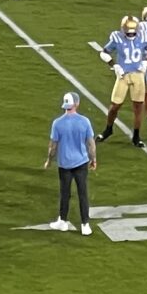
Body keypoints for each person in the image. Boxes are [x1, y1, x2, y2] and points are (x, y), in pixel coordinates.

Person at [46, 92, 95, 234]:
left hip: (65, 164)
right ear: (76, 104)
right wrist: (93, 159)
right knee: (83, 193)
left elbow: (53, 146)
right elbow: (91, 144)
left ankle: (63, 221)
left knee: (65, 193)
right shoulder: (84, 121)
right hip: (81, 162)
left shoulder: (57, 123)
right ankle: (85, 225)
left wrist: (49, 160)